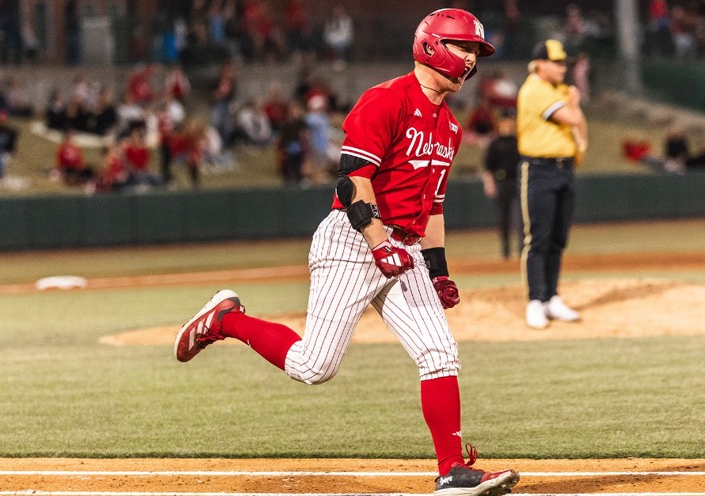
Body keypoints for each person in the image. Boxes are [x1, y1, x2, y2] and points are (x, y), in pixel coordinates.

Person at [173, 9, 519, 496]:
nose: (469, 60)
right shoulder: (385, 101)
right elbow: (353, 181)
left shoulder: (451, 129)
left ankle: (451, 469)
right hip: (353, 240)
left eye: (474, 53)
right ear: (432, 46)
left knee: (440, 353)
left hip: (405, 245)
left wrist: (438, 270)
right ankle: (226, 319)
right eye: (464, 48)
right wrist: (378, 244)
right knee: (315, 366)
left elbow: (434, 207)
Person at [516, 39, 587, 329]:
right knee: (538, 238)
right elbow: (572, 117)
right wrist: (574, 104)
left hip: (564, 169)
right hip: (539, 169)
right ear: (539, 64)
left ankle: (551, 297)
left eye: (563, 63)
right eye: (556, 63)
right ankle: (535, 300)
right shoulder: (534, 89)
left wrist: (574, 108)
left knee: (558, 238)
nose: (562, 68)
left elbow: (581, 129)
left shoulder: (558, 89)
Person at [482, 110, 522, 260]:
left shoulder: (519, 141)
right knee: (504, 218)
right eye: (505, 121)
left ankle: (521, 249)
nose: (508, 124)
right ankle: (506, 251)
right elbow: (488, 167)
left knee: (520, 217)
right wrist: (489, 184)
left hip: (517, 181)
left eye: (510, 121)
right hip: (501, 182)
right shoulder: (495, 143)